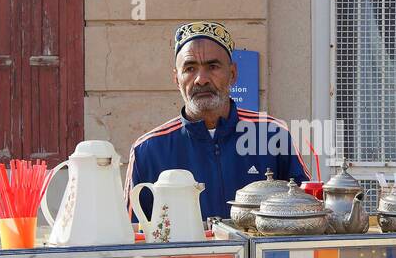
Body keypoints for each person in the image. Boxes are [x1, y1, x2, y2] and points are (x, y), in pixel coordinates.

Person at [125, 20, 309, 223]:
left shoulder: (273, 135)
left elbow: (307, 211)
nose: (201, 79)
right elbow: (132, 236)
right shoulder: (148, 151)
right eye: (189, 69)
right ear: (176, 79)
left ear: (232, 74)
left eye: (212, 66)